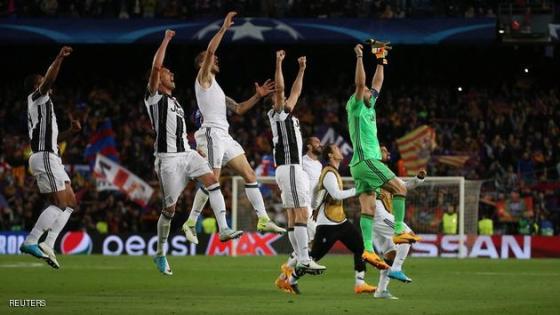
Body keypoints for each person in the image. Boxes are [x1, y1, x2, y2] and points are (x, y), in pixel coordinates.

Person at [145, 29, 242, 275]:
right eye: (168, 72)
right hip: (167, 161)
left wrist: (195, 146)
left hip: (187, 153)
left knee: (213, 181)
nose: (171, 73)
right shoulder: (154, 97)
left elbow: (177, 132)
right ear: (158, 78)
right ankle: (160, 254)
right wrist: (166, 40)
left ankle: (224, 228)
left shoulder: (176, 103)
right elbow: (156, 67)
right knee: (169, 210)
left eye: (170, 71)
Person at [182, 12, 285, 240]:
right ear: (202, 64)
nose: (216, 60)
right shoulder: (203, 78)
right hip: (210, 134)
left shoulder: (216, 88)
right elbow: (210, 52)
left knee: (249, 173)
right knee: (213, 179)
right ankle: (202, 224)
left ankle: (263, 219)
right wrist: (223, 29)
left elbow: (238, 108)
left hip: (224, 136)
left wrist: (257, 96)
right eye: (211, 59)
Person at [346, 43, 419, 269]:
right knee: (401, 188)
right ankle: (398, 229)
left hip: (358, 166)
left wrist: (381, 59)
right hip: (368, 161)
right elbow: (362, 83)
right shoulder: (356, 105)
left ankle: (368, 249)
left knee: (367, 209)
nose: (371, 91)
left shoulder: (369, 106)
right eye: (367, 91)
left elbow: (378, 83)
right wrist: (359, 57)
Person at [276, 144, 376, 295]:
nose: (340, 150)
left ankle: (360, 283)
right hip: (328, 226)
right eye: (336, 149)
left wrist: (315, 205)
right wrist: (357, 190)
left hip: (341, 222)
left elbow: (316, 191)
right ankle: (289, 280)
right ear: (330, 155)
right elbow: (336, 194)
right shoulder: (329, 173)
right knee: (313, 258)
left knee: (360, 248)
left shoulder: (332, 172)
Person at [21, 46, 81, 269]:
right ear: (39, 85)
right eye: (43, 80)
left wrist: (71, 133)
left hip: (51, 155)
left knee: (70, 203)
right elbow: (48, 81)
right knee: (59, 203)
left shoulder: (45, 108)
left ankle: (49, 243)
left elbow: (54, 138)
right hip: (45, 156)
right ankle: (31, 240)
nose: (47, 83)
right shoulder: (36, 97)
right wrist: (59, 59)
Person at [269, 49, 325, 275]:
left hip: (288, 170)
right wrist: (279, 63)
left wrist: (301, 70)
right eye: (277, 99)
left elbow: (295, 91)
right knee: (302, 212)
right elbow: (282, 89)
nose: (282, 99)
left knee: (294, 217)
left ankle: (300, 258)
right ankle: (303, 258)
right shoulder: (278, 114)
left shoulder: (287, 114)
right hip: (291, 168)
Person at [373, 146, 425, 299]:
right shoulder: (374, 169)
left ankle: (381, 290)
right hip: (378, 214)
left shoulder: (383, 171)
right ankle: (397, 268)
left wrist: (418, 179)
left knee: (390, 254)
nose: (388, 153)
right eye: (384, 150)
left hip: (376, 217)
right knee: (408, 236)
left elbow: (402, 186)